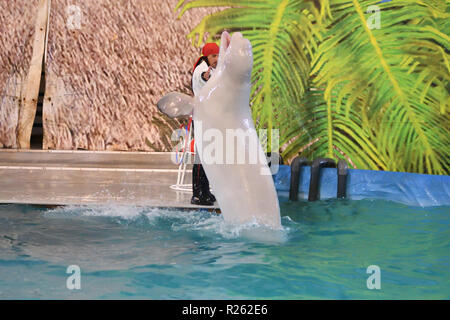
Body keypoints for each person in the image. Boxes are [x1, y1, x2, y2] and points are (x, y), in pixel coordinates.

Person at [190, 43, 219, 206]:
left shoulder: (212, 69)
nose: (216, 59)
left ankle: (205, 190)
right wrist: (206, 77)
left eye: (218, 56)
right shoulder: (201, 69)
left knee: (208, 156)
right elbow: (202, 77)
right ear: (206, 57)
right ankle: (197, 193)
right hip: (201, 118)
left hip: (209, 118)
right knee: (201, 157)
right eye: (213, 56)